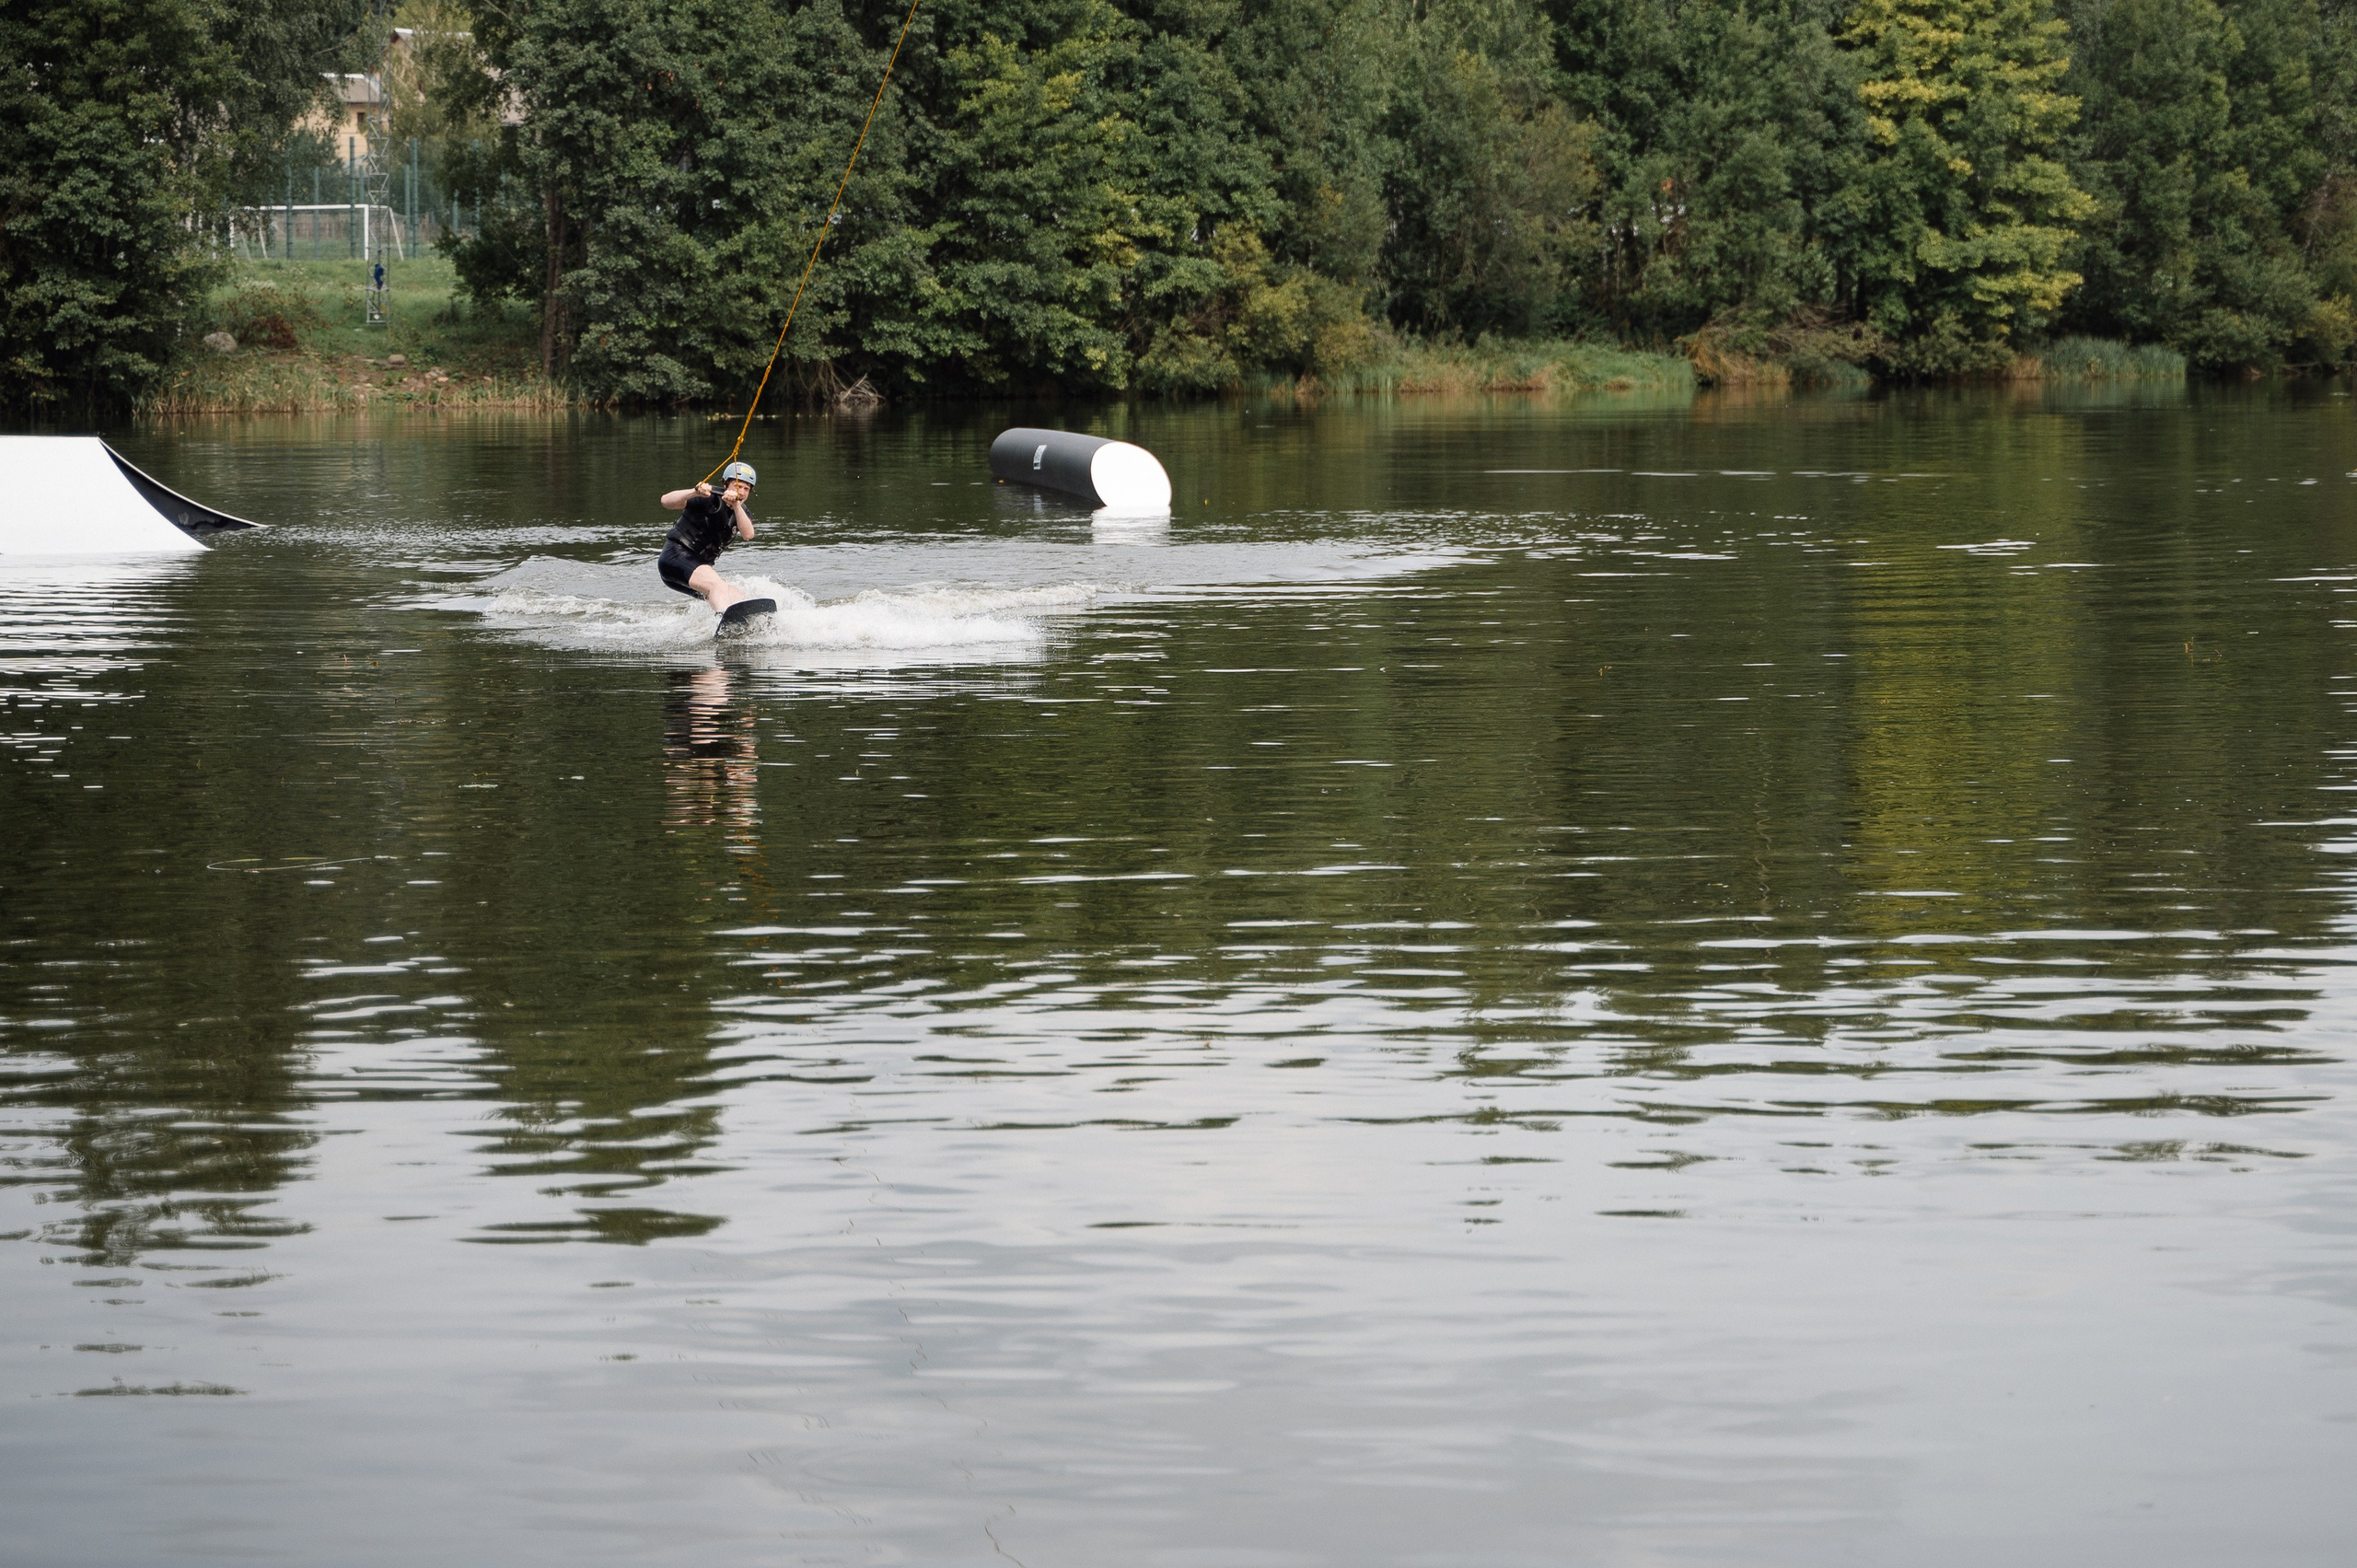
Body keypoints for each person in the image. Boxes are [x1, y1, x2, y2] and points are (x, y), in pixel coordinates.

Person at [656, 461, 759, 612]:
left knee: (737, 596)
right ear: (726, 485)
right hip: (676, 558)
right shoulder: (708, 498)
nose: (742, 492)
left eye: (746, 489)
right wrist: (694, 492)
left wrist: (736, 505)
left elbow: (748, 534)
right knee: (717, 585)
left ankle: (742, 623)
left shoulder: (741, 511)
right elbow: (665, 501)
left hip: (694, 569)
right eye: (737, 486)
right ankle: (723, 619)